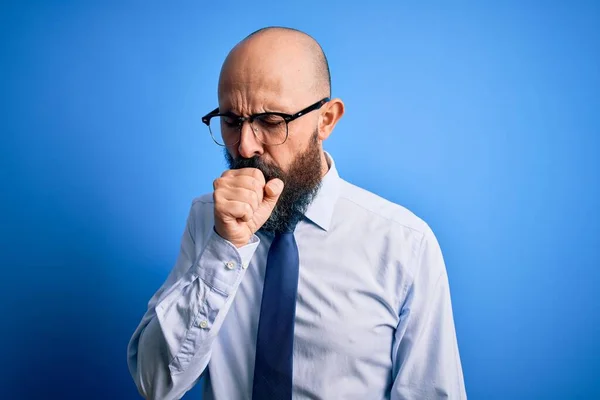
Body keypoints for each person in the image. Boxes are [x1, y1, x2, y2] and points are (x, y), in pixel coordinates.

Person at [127, 26, 466, 400]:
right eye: (231, 120)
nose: (245, 145)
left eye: (271, 122)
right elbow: (154, 384)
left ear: (327, 120)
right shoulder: (207, 220)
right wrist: (225, 248)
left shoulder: (404, 244)